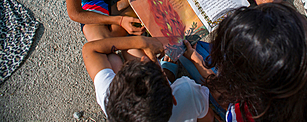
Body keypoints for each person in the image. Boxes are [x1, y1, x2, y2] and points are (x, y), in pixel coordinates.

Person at [183, 2, 307, 122]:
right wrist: (276, 18)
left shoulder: (250, 114)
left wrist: (199, 64)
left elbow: (223, 97)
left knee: (194, 59)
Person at [82, 35, 214, 121]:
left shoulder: (111, 101)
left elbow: (90, 50)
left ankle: (167, 70)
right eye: (154, 64)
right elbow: (208, 118)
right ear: (173, 98)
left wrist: (141, 42)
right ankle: (168, 70)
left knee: (114, 58)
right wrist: (143, 41)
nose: (145, 57)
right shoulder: (187, 92)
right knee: (130, 50)